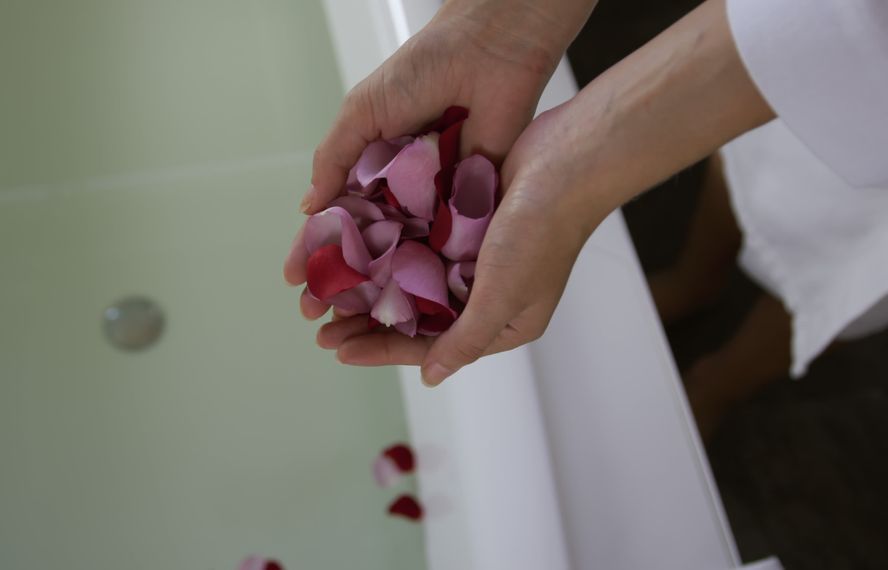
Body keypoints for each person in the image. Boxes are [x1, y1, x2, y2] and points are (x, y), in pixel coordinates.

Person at [284, 0, 888, 389]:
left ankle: (720, 383)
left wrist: (576, 169)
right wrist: (500, 24)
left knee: (833, 256)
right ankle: (694, 280)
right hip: (773, 53)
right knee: (750, 171)